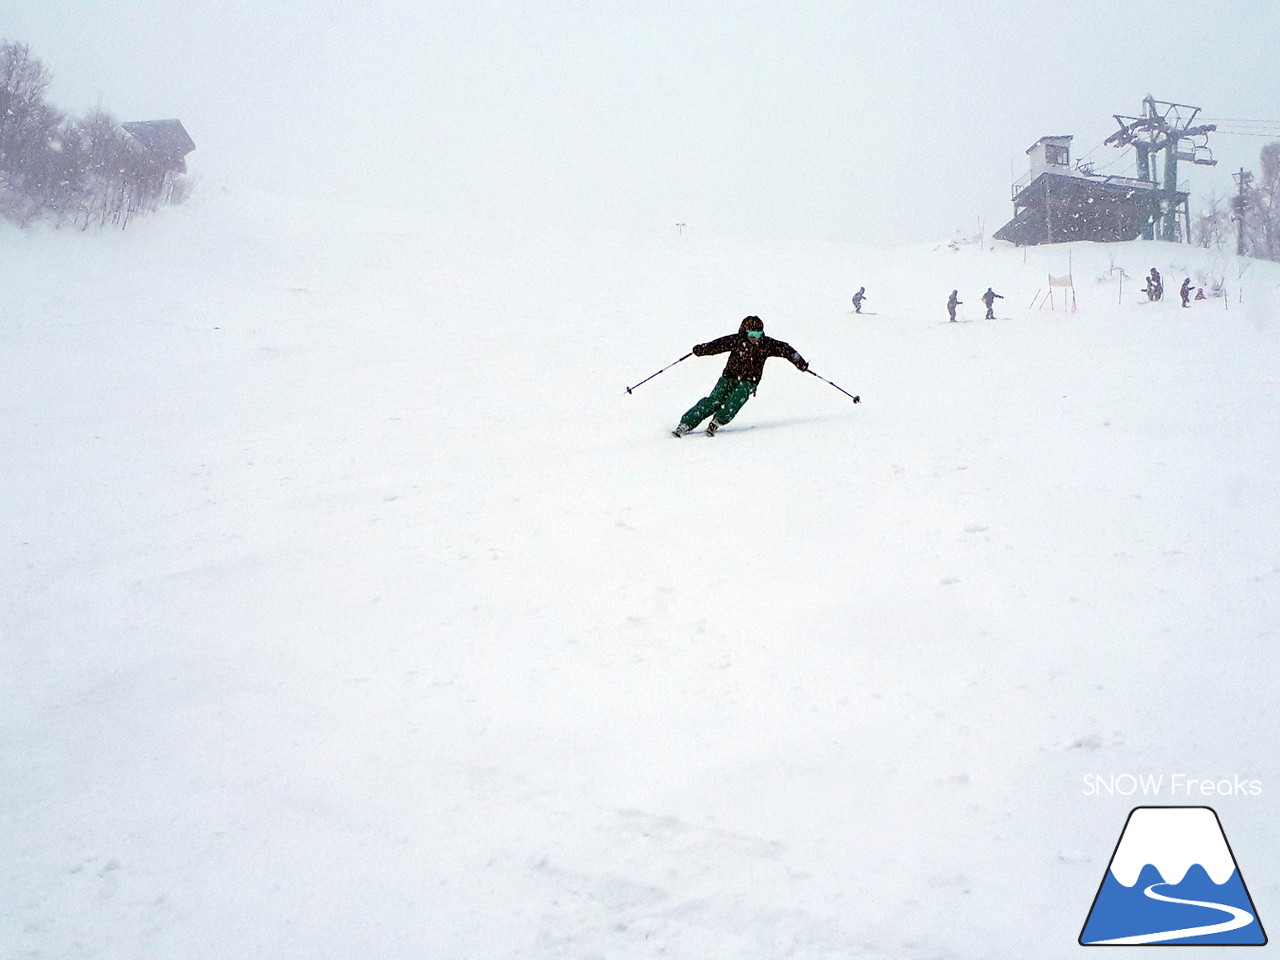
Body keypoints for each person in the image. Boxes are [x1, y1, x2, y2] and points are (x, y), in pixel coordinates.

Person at [672, 315, 808, 437]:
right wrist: (701, 349)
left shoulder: (766, 344)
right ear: (745, 331)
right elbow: (717, 345)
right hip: (729, 377)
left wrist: (799, 362)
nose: (755, 337)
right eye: (752, 333)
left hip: (749, 381)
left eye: (758, 333)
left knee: (735, 400)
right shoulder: (736, 340)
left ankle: (717, 421)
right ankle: (686, 423)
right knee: (714, 401)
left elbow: (787, 350)